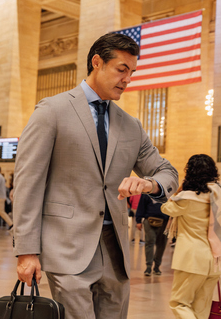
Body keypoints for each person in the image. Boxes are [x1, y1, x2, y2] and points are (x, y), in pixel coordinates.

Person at [13, 32, 178, 319]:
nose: (128, 79)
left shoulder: (131, 126)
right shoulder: (52, 110)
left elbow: (168, 172)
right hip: (67, 247)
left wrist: (149, 184)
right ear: (97, 62)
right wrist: (26, 251)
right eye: (121, 70)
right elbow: (28, 182)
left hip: (115, 251)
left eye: (132, 72)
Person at [161, 154, 221, 319]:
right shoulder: (219, 194)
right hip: (216, 258)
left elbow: (166, 208)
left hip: (192, 259)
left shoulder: (186, 198)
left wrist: (178, 191)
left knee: (179, 303)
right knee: (201, 308)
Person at [135, 197, 169, 276]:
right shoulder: (147, 192)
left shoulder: (168, 191)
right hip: (149, 220)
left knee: (162, 244)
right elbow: (141, 206)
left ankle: (157, 266)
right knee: (149, 242)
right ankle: (148, 266)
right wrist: (138, 220)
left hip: (165, 222)